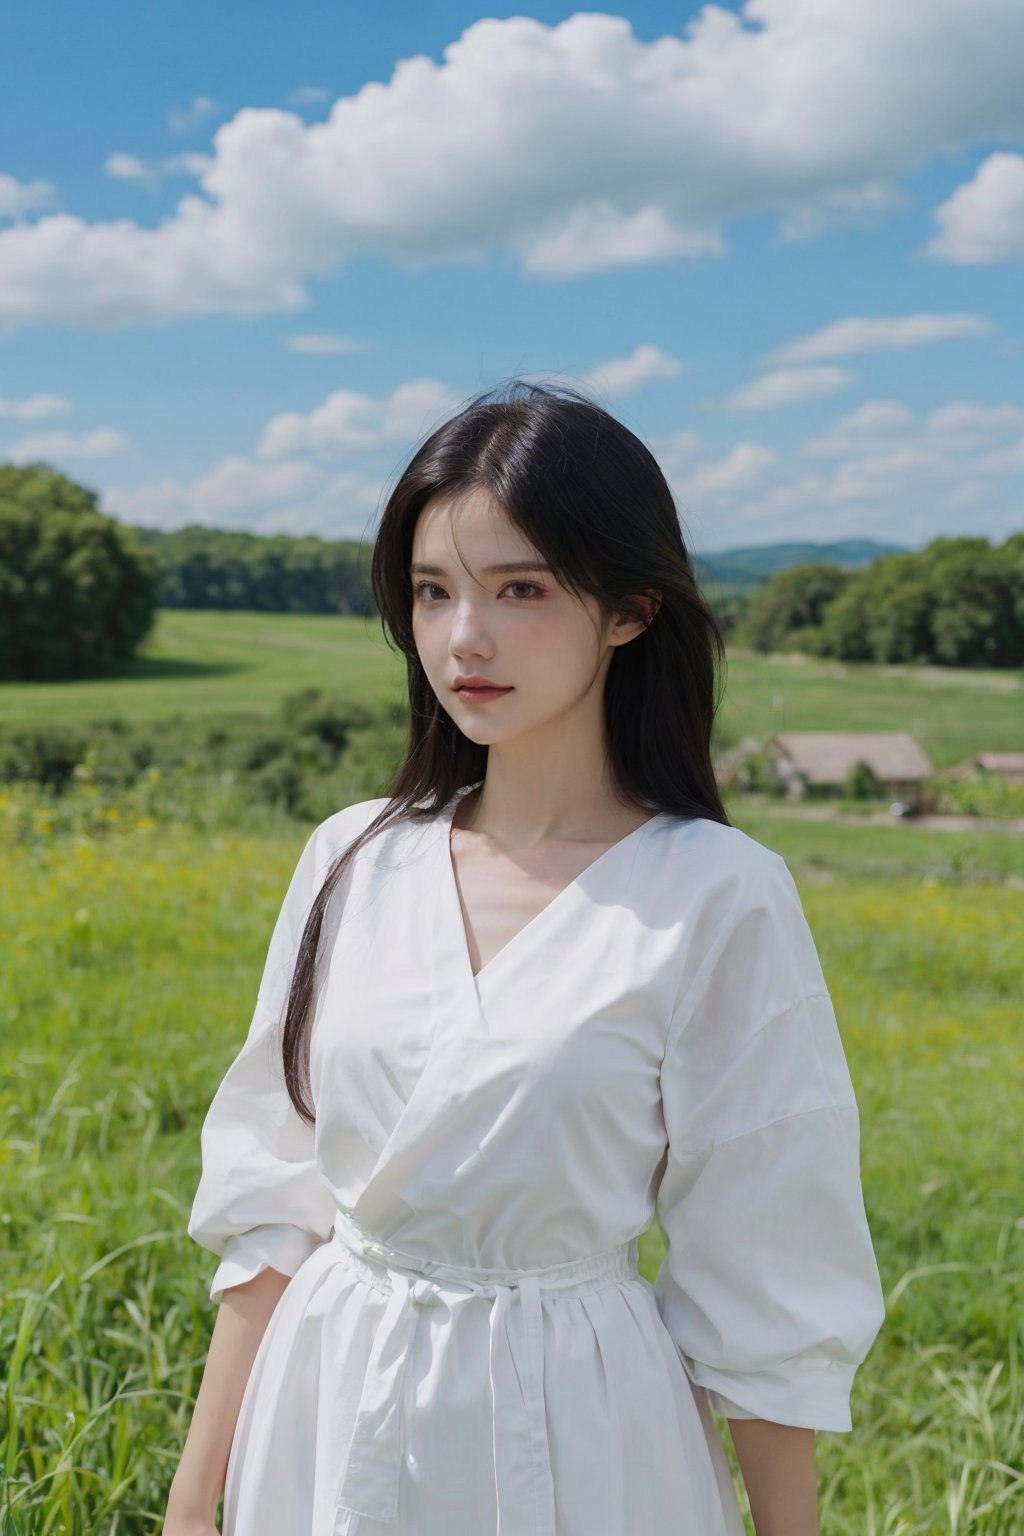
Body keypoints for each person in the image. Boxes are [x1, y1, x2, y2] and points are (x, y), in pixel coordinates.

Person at [165, 380, 886, 1536]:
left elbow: (763, 1263)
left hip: (581, 1424)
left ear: (630, 610)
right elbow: (276, 1191)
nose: (465, 639)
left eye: (521, 590)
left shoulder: (714, 892)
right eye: (433, 591)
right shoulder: (351, 855)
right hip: (328, 1403)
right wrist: (195, 1499)